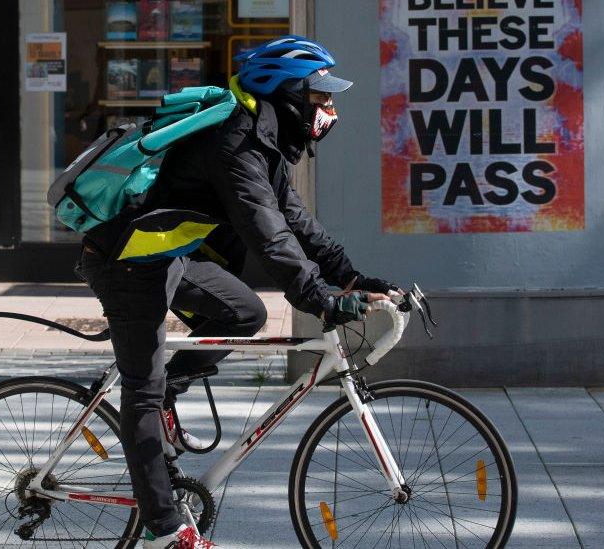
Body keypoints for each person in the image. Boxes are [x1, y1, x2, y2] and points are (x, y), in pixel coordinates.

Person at [76, 36, 398, 548]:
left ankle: (169, 396)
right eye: (322, 98)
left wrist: (353, 278)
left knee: (245, 314)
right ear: (287, 94)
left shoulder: (261, 142)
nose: (331, 110)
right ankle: (166, 530)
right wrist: (319, 298)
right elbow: (267, 235)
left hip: (168, 256)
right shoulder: (234, 146)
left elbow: (296, 223)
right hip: (128, 258)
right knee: (143, 386)